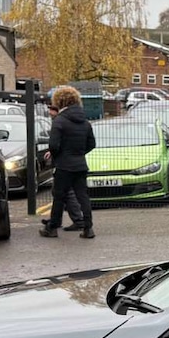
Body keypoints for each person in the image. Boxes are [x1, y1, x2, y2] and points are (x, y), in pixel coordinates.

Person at [39, 85, 96, 239]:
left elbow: (53, 145)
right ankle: (88, 228)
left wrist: (60, 156)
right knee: (83, 196)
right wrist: (78, 153)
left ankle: (52, 227)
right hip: (80, 164)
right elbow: (92, 144)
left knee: (59, 197)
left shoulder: (59, 121)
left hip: (64, 166)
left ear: (59, 101)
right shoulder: (85, 121)